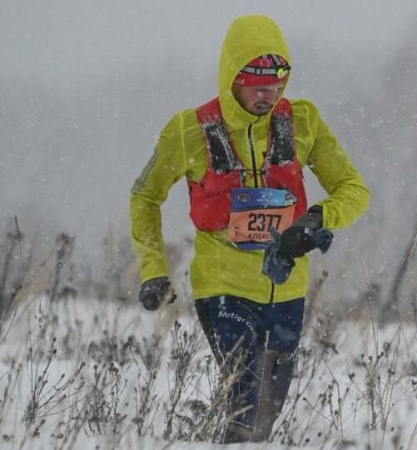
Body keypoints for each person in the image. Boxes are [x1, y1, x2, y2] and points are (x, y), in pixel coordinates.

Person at [129, 15, 369, 443]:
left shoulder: (302, 122)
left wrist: (316, 219)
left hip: (287, 290)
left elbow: (353, 189)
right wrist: (153, 270)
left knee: (264, 415)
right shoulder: (189, 130)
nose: (268, 94)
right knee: (244, 394)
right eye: (256, 84)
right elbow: (144, 197)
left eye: (277, 84)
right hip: (223, 286)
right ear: (231, 78)